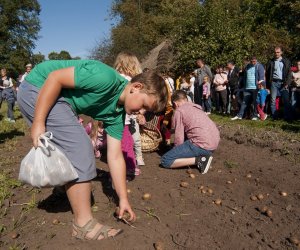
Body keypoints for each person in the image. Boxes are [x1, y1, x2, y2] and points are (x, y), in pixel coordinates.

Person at [17, 59, 168, 240]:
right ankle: (83, 225)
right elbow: (55, 78)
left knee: (71, 143)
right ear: (136, 86)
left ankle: (62, 189)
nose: (141, 112)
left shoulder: (116, 115)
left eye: (147, 111)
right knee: (80, 145)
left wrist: (123, 199)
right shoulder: (105, 78)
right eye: (143, 105)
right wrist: (38, 122)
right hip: (38, 87)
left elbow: (115, 156)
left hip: (58, 98)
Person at [160, 90, 220, 173]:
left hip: (202, 144)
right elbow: (191, 126)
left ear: (175, 103)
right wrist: (170, 132)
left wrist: (175, 151)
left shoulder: (179, 111)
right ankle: (203, 155)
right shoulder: (196, 107)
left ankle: (200, 160)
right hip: (213, 143)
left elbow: (179, 138)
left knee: (166, 160)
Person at [114, 52, 145, 173]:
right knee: (126, 142)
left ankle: (124, 167)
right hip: (123, 118)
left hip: (116, 117)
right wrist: (139, 112)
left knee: (121, 143)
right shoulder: (127, 80)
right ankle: (129, 167)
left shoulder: (116, 77)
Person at [231, 56, 265, 120]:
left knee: (254, 103)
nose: (253, 63)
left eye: (254, 61)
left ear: (256, 60)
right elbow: (244, 75)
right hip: (247, 87)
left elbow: (261, 77)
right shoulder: (247, 66)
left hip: (255, 87)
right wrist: (240, 74)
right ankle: (240, 115)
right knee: (244, 102)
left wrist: (260, 83)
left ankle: (255, 116)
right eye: (252, 61)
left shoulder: (259, 66)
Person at [266, 46, 292, 120]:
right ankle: (275, 117)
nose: (276, 54)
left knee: (286, 100)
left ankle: (287, 117)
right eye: (275, 52)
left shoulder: (286, 61)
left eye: (278, 52)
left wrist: (287, 83)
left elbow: (289, 73)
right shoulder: (270, 61)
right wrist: (268, 86)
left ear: (281, 52)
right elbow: (267, 74)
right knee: (273, 100)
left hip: (284, 83)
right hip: (274, 82)